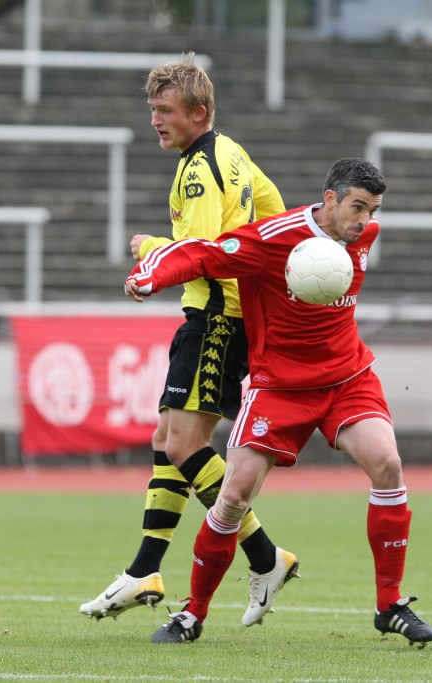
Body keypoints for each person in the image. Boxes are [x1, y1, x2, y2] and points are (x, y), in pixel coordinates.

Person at [124, 157, 432, 647]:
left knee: (388, 466)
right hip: (279, 387)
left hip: (346, 379)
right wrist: (151, 274)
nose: (365, 220)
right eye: (357, 207)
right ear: (330, 198)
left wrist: (363, 220)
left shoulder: (364, 236)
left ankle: (390, 605)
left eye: (373, 210)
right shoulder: (273, 239)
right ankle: (192, 613)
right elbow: (206, 254)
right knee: (233, 497)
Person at [80, 53, 299, 627]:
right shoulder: (234, 153)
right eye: (152, 108)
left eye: (165, 110)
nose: (155, 119)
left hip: (217, 318)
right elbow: (272, 214)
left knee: (182, 447)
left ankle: (265, 556)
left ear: (198, 112)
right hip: (223, 314)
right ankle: (145, 569)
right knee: (166, 438)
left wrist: (152, 254)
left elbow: (199, 254)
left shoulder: (200, 169)